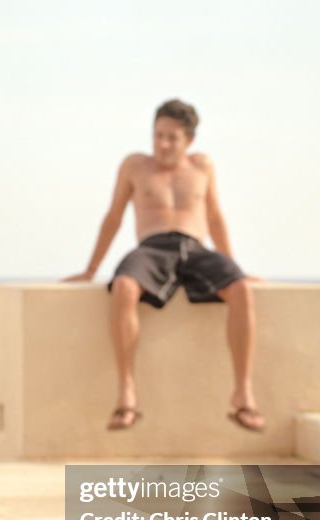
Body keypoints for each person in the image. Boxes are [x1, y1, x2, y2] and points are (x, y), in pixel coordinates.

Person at [65, 99, 264, 432]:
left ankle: (243, 395)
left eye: (171, 137)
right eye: (157, 135)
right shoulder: (134, 165)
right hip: (152, 248)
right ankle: (126, 393)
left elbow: (214, 216)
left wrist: (233, 264)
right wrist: (90, 269)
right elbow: (113, 217)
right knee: (125, 286)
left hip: (196, 247)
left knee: (242, 288)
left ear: (189, 140)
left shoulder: (202, 167)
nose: (162, 144)